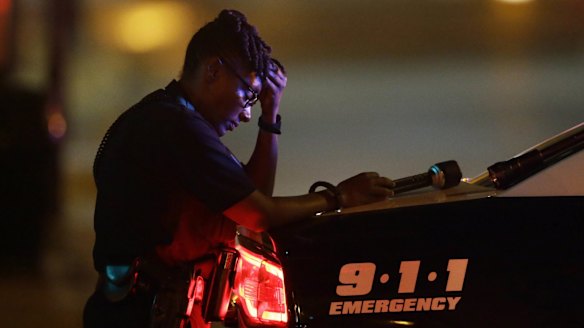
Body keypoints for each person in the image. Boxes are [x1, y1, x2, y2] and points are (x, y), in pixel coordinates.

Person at [83, 9, 395, 328]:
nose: (246, 114)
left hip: (145, 308)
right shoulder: (177, 128)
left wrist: (270, 115)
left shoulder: (169, 117)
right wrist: (340, 196)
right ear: (214, 71)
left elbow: (251, 193)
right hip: (138, 314)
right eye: (247, 96)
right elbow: (259, 213)